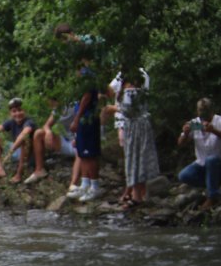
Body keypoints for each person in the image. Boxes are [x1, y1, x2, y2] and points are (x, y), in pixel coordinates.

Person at [107, 68, 160, 209]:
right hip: (140, 126)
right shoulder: (139, 85)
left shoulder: (131, 90)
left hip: (135, 127)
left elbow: (128, 110)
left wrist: (112, 109)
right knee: (139, 158)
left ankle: (137, 196)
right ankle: (140, 194)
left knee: (134, 158)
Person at [177, 97, 221, 210]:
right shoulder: (195, 123)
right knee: (183, 175)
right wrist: (185, 133)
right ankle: (213, 184)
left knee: (211, 160)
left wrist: (214, 130)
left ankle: (212, 196)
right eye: (200, 110)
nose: (203, 113)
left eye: (205, 110)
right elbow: (180, 143)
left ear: (211, 110)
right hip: (202, 164)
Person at [67, 62, 104, 203]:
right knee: (82, 152)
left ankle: (95, 186)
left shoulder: (87, 74)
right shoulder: (80, 73)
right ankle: (85, 183)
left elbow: (87, 96)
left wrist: (76, 119)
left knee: (90, 154)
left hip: (87, 118)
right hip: (82, 117)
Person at [0, 98, 37, 184]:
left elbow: (24, 134)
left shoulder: (29, 122)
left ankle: (19, 174)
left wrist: (10, 151)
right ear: (10, 113)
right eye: (14, 111)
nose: (17, 113)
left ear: (24, 111)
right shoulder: (11, 122)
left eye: (20, 110)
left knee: (24, 141)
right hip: (16, 151)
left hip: (29, 155)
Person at [26, 98, 79, 185]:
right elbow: (46, 125)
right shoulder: (56, 111)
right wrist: (48, 131)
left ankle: (75, 183)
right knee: (39, 133)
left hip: (80, 142)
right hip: (67, 142)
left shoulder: (74, 106)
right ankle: (39, 170)